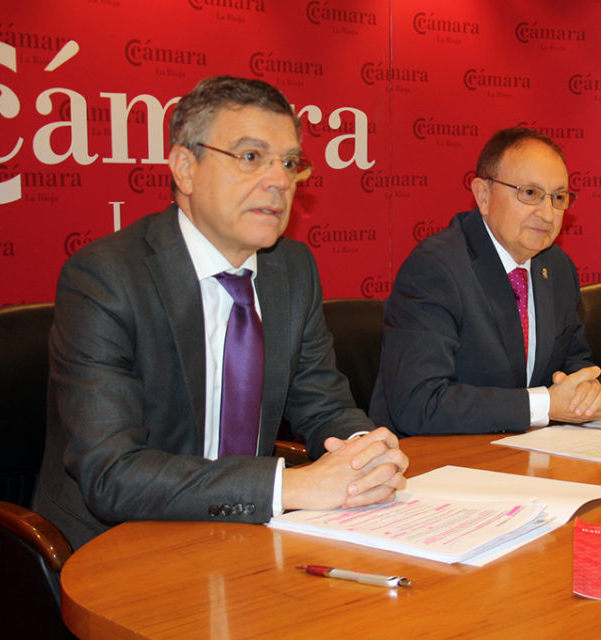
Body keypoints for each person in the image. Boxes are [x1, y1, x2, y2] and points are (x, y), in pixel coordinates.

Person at [33, 76, 407, 550]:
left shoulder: (291, 269)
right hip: (118, 544)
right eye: (251, 158)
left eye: (289, 163)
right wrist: (289, 486)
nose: (278, 180)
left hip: (245, 529)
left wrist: (364, 453)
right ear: (185, 168)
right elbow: (112, 472)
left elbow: (323, 405)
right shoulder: (105, 277)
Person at [369, 127, 601, 436]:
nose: (548, 213)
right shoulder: (436, 269)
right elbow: (419, 403)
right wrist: (543, 405)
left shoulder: (556, 267)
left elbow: (573, 363)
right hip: (434, 462)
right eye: (530, 193)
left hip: (523, 455)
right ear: (483, 195)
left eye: (558, 197)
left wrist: (587, 392)